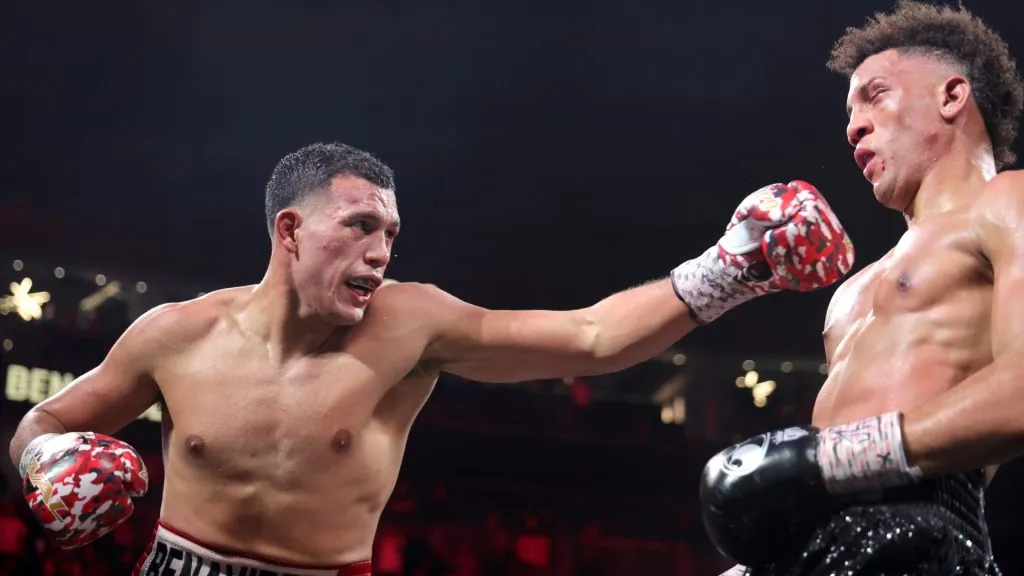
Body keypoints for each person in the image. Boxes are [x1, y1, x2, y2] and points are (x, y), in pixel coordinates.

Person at [8, 142, 853, 576]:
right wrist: (47, 456)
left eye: (392, 234)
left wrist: (727, 271)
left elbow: (590, 338)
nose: (382, 252)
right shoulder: (174, 332)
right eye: (361, 227)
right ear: (290, 230)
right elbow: (41, 422)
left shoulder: (410, 326)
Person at [698, 2, 1024, 575]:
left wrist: (830, 458)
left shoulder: (1007, 201)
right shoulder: (851, 294)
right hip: (817, 540)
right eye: (849, 112)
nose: (853, 126)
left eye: (875, 95)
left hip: (922, 528)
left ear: (952, 97)